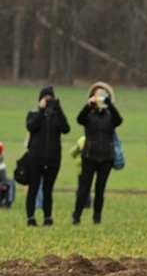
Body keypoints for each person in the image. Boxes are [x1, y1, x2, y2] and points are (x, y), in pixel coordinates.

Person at [73, 81, 123, 225]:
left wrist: (110, 105)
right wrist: (89, 105)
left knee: (100, 189)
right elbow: (79, 119)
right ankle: (77, 216)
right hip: (89, 155)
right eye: (97, 94)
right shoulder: (89, 113)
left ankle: (97, 217)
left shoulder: (110, 114)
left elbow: (118, 121)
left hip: (106, 156)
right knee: (84, 188)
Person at [23, 86, 70, 227]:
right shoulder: (33, 113)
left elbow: (66, 129)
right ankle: (30, 217)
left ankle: (47, 217)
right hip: (35, 158)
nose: (48, 101)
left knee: (48, 190)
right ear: (40, 100)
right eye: (45, 98)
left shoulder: (57, 116)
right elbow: (31, 127)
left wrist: (59, 109)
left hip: (53, 158)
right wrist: (42, 111)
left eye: (51, 99)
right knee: (33, 188)